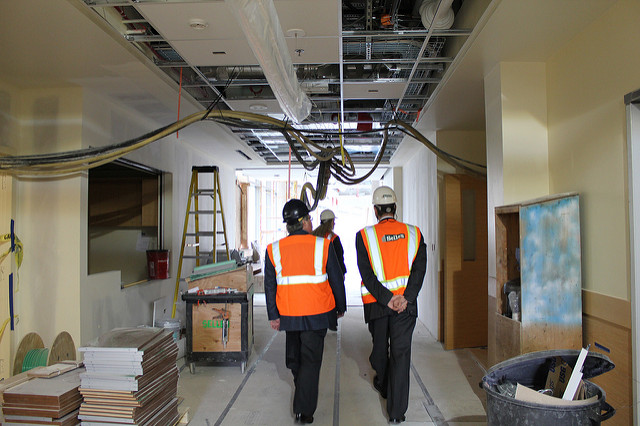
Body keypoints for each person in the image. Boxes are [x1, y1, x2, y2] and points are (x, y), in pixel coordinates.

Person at [264, 199, 347, 425]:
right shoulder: (323, 245)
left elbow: (269, 285)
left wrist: (273, 315)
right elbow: (337, 279)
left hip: (290, 315)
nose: (312, 221)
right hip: (317, 313)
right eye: (309, 218)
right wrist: (340, 306)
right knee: (307, 362)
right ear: (302, 222)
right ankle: (305, 404)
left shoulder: (274, 249)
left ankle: (303, 409)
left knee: (296, 359)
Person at [355, 186, 427, 424]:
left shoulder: (364, 236)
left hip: (384, 304)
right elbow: (419, 270)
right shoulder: (414, 233)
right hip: (399, 305)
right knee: (389, 355)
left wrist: (395, 299)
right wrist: (403, 298)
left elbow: (367, 276)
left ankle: (396, 412)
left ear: (376, 210)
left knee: (393, 353)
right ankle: (387, 389)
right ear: (394, 208)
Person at [312, 209, 347, 276]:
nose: (334, 223)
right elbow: (339, 260)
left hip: (314, 274)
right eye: (333, 221)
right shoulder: (334, 238)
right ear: (331, 222)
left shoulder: (312, 236)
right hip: (329, 275)